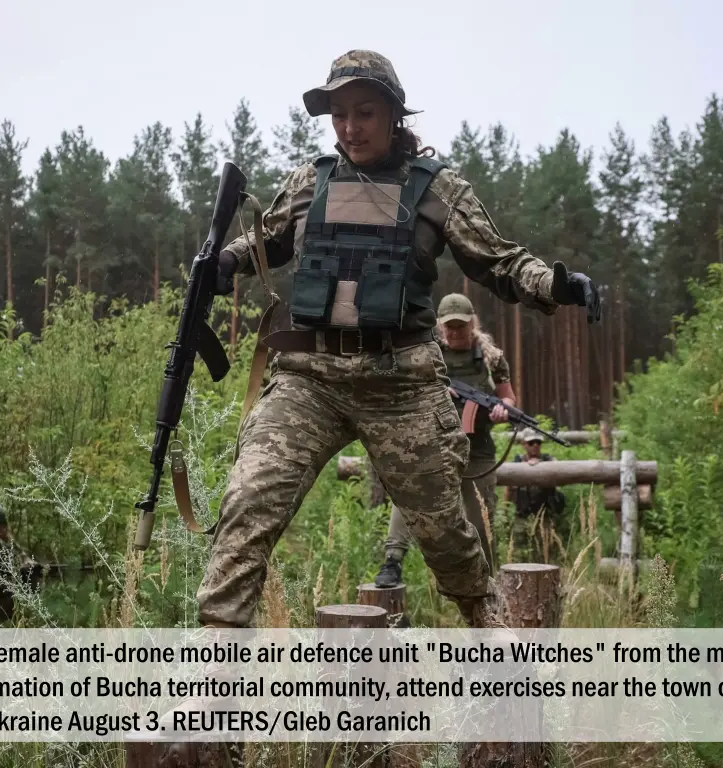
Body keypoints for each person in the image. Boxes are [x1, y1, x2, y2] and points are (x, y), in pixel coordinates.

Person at [196, 49, 601, 630]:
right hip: (308, 380)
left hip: (402, 386)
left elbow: (501, 262)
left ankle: (498, 655)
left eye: (363, 112)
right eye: (338, 114)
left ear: (393, 115)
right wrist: (223, 262)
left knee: (448, 539)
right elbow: (268, 241)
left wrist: (558, 284)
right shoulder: (309, 182)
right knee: (246, 506)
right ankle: (214, 685)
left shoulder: (439, 192)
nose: (350, 127)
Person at [374, 293, 514, 588]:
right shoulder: (428, 352)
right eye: (448, 326)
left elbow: (508, 397)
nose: (454, 332)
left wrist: (504, 410)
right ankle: (392, 560)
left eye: (460, 326)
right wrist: (436, 390)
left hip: (477, 452)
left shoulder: (491, 357)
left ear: (472, 323)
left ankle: (484, 586)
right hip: (433, 447)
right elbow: (401, 387)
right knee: (409, 495)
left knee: (480, 524)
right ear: (439, 325)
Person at [506, 430, 567, 561]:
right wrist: (506, 511)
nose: (535, 445)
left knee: (545, 553)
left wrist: (540, 466)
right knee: (518, 553)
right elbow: (509, 490)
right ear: (524, 444)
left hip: (545, 516)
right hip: (521, 516)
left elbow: (560, 474)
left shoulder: (549, 460)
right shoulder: (517, 463)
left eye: (538, 442)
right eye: (531, 442)